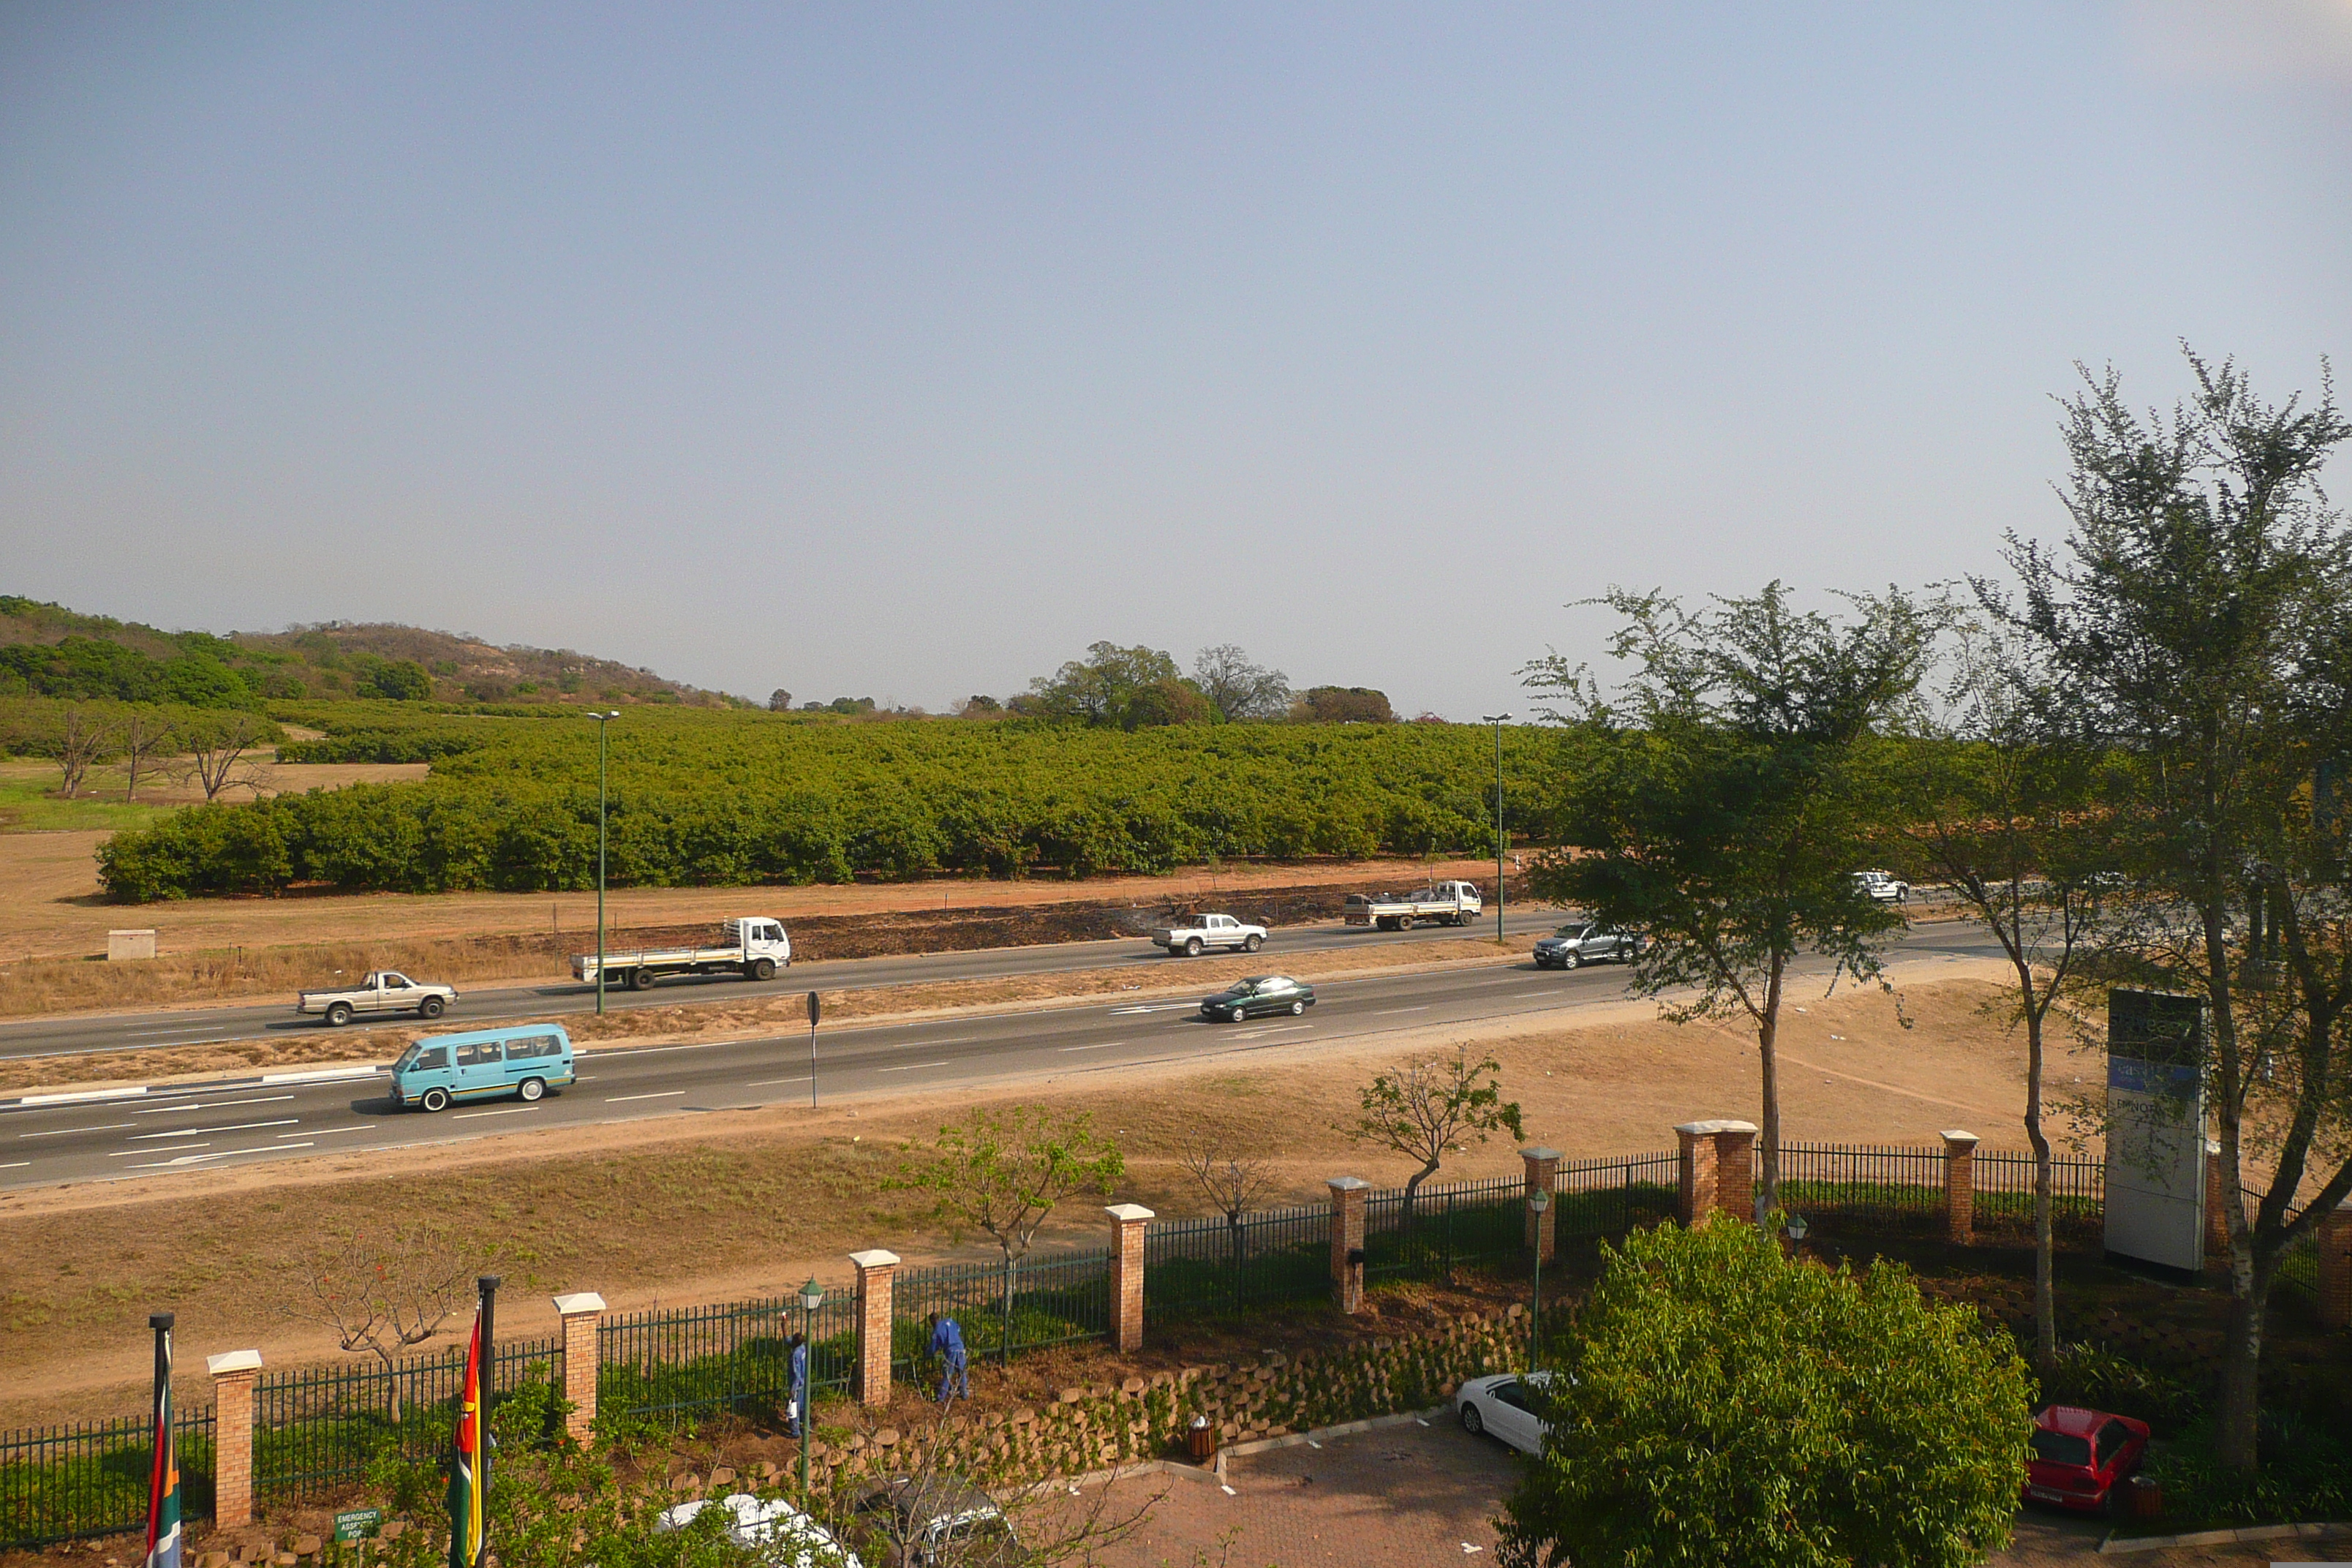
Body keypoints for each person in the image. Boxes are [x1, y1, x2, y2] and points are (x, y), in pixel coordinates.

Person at [928, 1311, 969, 1406]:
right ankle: (964, 1393)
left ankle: (941, 1397)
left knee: (947, 1373)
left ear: (932, 1321)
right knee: (962, 1371)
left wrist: (928, 1353)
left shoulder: (936, 1331)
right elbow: (958, 1329)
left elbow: (933, 1348)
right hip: (960, 1347)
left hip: (951, 1351)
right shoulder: (949, 1321)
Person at [785, 1332, 808, 1437]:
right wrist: (784, 1327)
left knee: (794, 1407)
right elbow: (788, 1341)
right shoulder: (803, 1348)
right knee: (803, 1406)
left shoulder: (795, 1355)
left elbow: (796, 1373)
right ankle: (806, 1427)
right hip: (804, 1382)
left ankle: (795, 1432)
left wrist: (793, 1389)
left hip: (797, 1384)